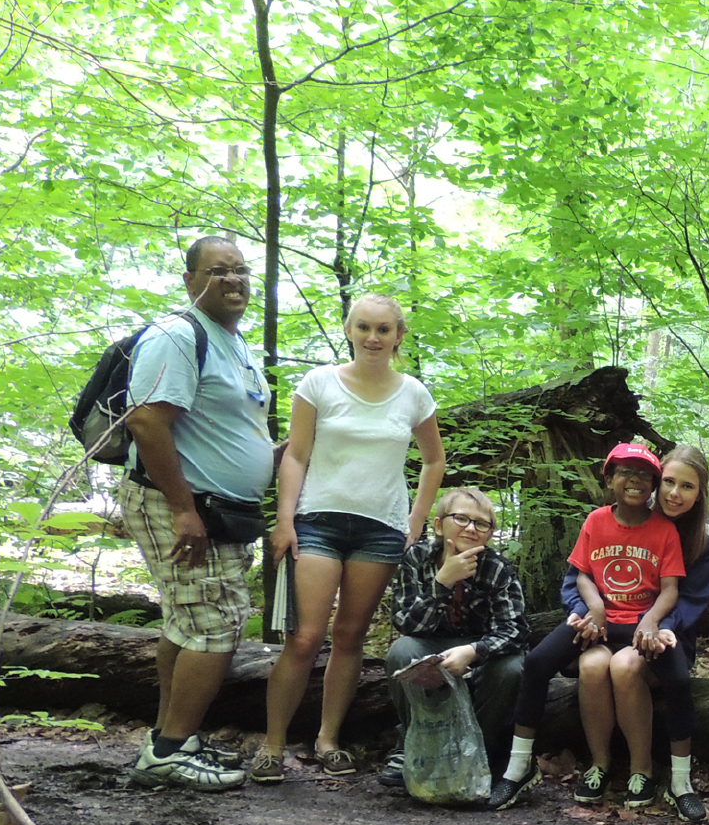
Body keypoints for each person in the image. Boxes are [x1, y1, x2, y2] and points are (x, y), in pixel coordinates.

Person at [255, 295, 445, 782]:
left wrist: (417, 520)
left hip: (380, 529)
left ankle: (328, 739)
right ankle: (272, 745)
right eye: (363, 327)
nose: (373, 338)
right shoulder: (318, 384)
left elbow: (433, 460)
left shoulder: (414, 395)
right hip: (317, 520)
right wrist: (285, 519)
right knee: (304, 638)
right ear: (349, 330)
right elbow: (295, 455)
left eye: (384, 329)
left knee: (350, 636)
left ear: (399, 335)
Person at [120, 235, 273, 791]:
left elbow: (223, 429)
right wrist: (184, 510)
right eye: (216, 271)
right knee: (216, 623)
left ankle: (174, 736)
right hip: (183, 506)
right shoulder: (176, 336)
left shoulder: (231, 342)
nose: (232, 280)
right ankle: (165, 753)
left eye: (239, 271)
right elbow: (145, 421)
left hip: (221, 509)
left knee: (187, 619)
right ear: (190, 281)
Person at [489, 443, 685, 810]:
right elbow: (582, 575)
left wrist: (652, 621)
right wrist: (594, 608)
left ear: (654, 485)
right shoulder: (596, 521)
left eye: (645, 475)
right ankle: (521, 767)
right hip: (600, 622)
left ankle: (670, 778)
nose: (635, 480)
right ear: (609, 479)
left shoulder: (664, 530)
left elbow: (671, 589)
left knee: (678, 678)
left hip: (639, 624)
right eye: (625, 472)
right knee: (535, 663)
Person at [568, 444, 709, 823]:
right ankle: (600, 765)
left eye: (687, 486)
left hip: (667, 638)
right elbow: (580, 577)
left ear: (701, 492)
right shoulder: (631, 515)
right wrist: (584, 614)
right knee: (592, 665)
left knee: (625, 666)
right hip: (612, 629)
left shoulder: (707, 537)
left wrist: (657, 629)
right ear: (655, 481)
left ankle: (660, 776)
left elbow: (690, 600)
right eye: (668, 482)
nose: (674, 493)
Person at [379, 488, 529, 787]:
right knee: (401, 650)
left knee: (514, 668)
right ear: (439, 525)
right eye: (461, 518)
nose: (471, 529)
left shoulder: (496, 567)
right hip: (430, 644)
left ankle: (477, 750)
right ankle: (411, 743)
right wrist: (442, 581)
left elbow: (515, 631)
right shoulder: (418, 559)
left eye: (481, 523)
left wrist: (473, 651)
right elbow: (405, 622)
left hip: (479, 651)